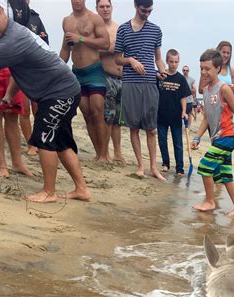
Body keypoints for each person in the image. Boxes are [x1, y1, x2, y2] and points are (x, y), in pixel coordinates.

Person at [0, 0, 90, 202]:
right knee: (61, 141)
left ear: (2, 11)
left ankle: (49, 192)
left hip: (58, 93)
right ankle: (82, 189)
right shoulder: (15, 32)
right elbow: (21, 69)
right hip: (65, 90)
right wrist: (9, 95)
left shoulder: (11, 41)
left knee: (44, 138)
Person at [114, 0, 167, 180]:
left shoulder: (156, 30)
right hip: (130, 82)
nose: (147, 14)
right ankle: (140, 165)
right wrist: (130, 60)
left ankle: (153, 167)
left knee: (151, 128)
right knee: (134, 126)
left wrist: (163, 69)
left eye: (150, 11)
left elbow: (158, 58)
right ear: (136, 7)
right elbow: (117, 59)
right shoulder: (123, 29)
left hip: (150, 82)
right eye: (144, 10)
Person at [190, 49, 234, 217]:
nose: (203, 72)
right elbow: (206, 117)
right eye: (201, 69)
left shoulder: (224, 88)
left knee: (205, 166)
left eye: (207, 69)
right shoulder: (206, 90)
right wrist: (197, 136)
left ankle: (210, 201)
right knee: (225, 175)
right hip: (216, 138)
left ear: (217, 68)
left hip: (228, 136)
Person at [60, 0, 110, 162]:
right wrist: (59, 69)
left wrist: (81, 39)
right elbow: (66, 48)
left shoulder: (95, 18)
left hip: (94, 70)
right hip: (77, 72)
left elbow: (105, 43)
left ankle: (104, 154)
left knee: (97, 112)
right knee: (87, 114)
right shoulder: (67, 21)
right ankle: (98, 153)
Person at [0, 0, 31, 177]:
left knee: (13, 115)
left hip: (13, 64)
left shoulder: (17, 4)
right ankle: (1, 165)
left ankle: (17, 163)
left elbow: (26, 31)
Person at [19, 0, 49, 156]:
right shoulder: (11, 15)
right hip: (18, 69)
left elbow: (46, 43)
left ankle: (38, 140)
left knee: (37, 107)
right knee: (23, 109)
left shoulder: (35, 17)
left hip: (36, 70)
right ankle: (31, 144)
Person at [96, 0, 125, 163]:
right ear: (97, 9)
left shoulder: (118, 28)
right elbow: (89, 52)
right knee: (107, 116)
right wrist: (108, 48)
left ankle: (118, 153)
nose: (105, 9)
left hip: (122, 78)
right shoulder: (96, 29)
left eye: (107, 6)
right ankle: (104, 153)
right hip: (106, 76)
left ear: (112, 8)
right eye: (102, 7)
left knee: (118, 119)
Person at [157, 49, 190, 175]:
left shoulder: (181, 79)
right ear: (166, 61)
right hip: (161, 114)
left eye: (176, 62)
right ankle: (165, 163)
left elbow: (184, 97)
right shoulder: (161, 76)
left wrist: (184, 111)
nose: (174, 64)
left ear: (179, 62)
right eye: (171, 61)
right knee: (162, 140)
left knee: (178, 143)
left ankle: (179, 168)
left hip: (176, 116)